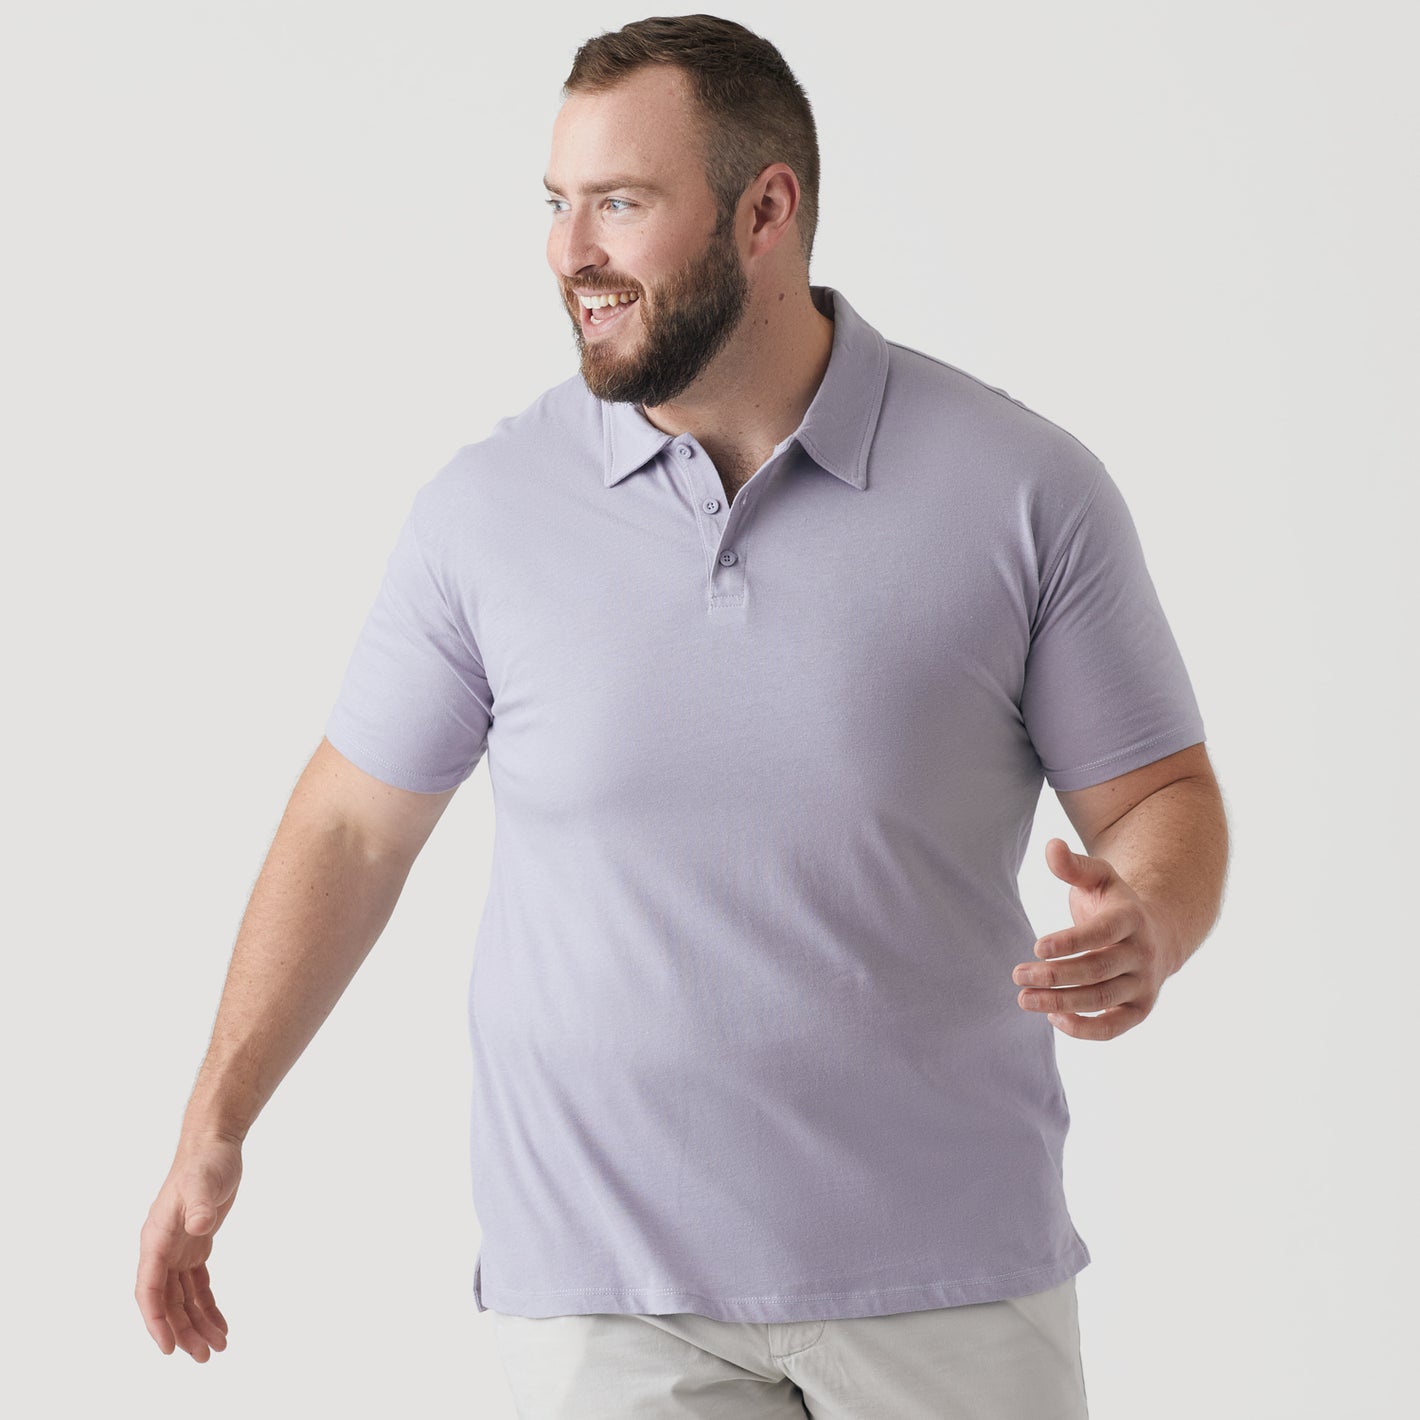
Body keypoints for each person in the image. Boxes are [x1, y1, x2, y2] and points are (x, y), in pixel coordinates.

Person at [135, 13, 1229, 1417]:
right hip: (608, 1299)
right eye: (557, 203)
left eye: (621, 204)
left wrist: (1151, 916)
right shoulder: (488, 514)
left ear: (766, 209)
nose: (567, 250)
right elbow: (351, 826)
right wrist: (216, 1120)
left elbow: (1158, 800)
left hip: (949, 1283)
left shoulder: (1022, 490)